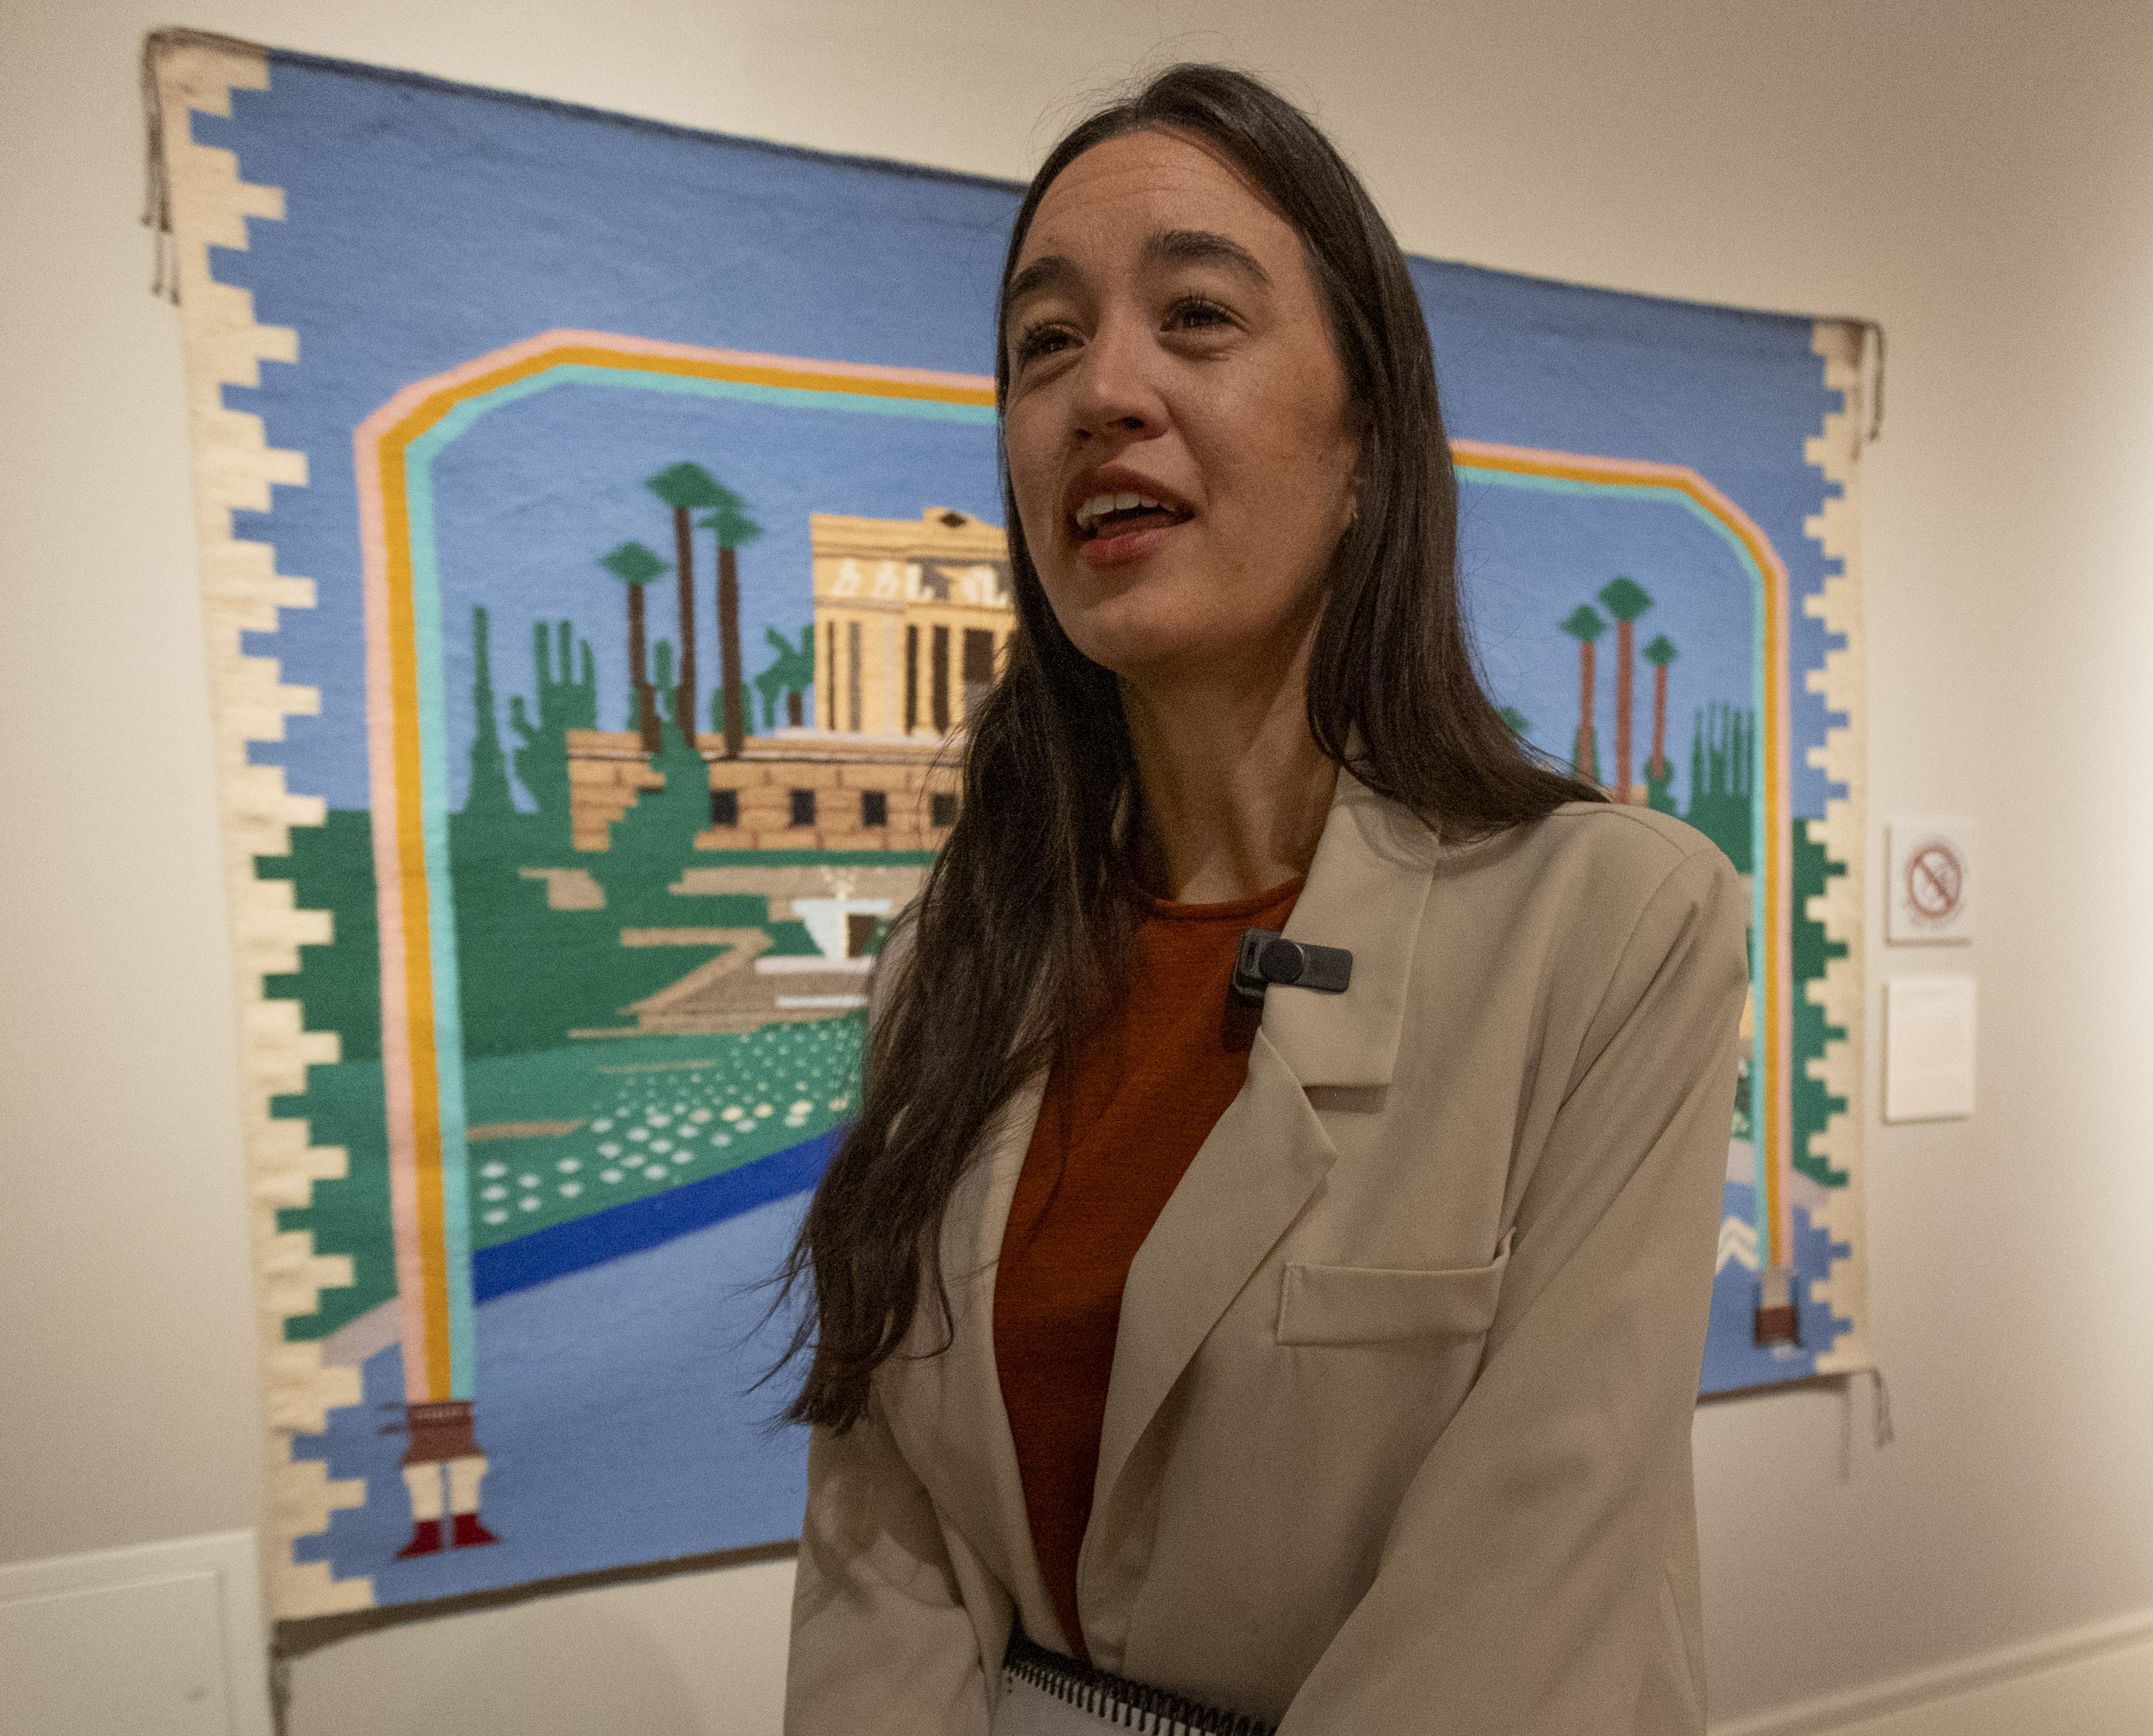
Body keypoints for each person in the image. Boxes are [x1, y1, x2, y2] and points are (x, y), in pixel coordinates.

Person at [779, 63, 1747, 1735]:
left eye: (1199, 316)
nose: (1103, 393)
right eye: (1046, 343)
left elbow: (1523, 1602)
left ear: (1365, 439)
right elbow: (886, 1548)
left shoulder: (1612, 926)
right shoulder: (956, 958)